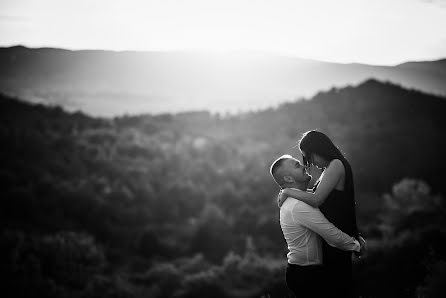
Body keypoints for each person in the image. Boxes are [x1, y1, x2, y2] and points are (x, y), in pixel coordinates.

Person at [277, 130, 365, 297]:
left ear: (318, 149)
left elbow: (316, 199)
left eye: (309, 157)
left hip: (336, 243)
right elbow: (323, 196)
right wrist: (292, 192)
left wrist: (289, 191)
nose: (310, 163)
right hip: (331, 244)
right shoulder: (329, 169)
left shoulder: (336, 165)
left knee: (339, 289)